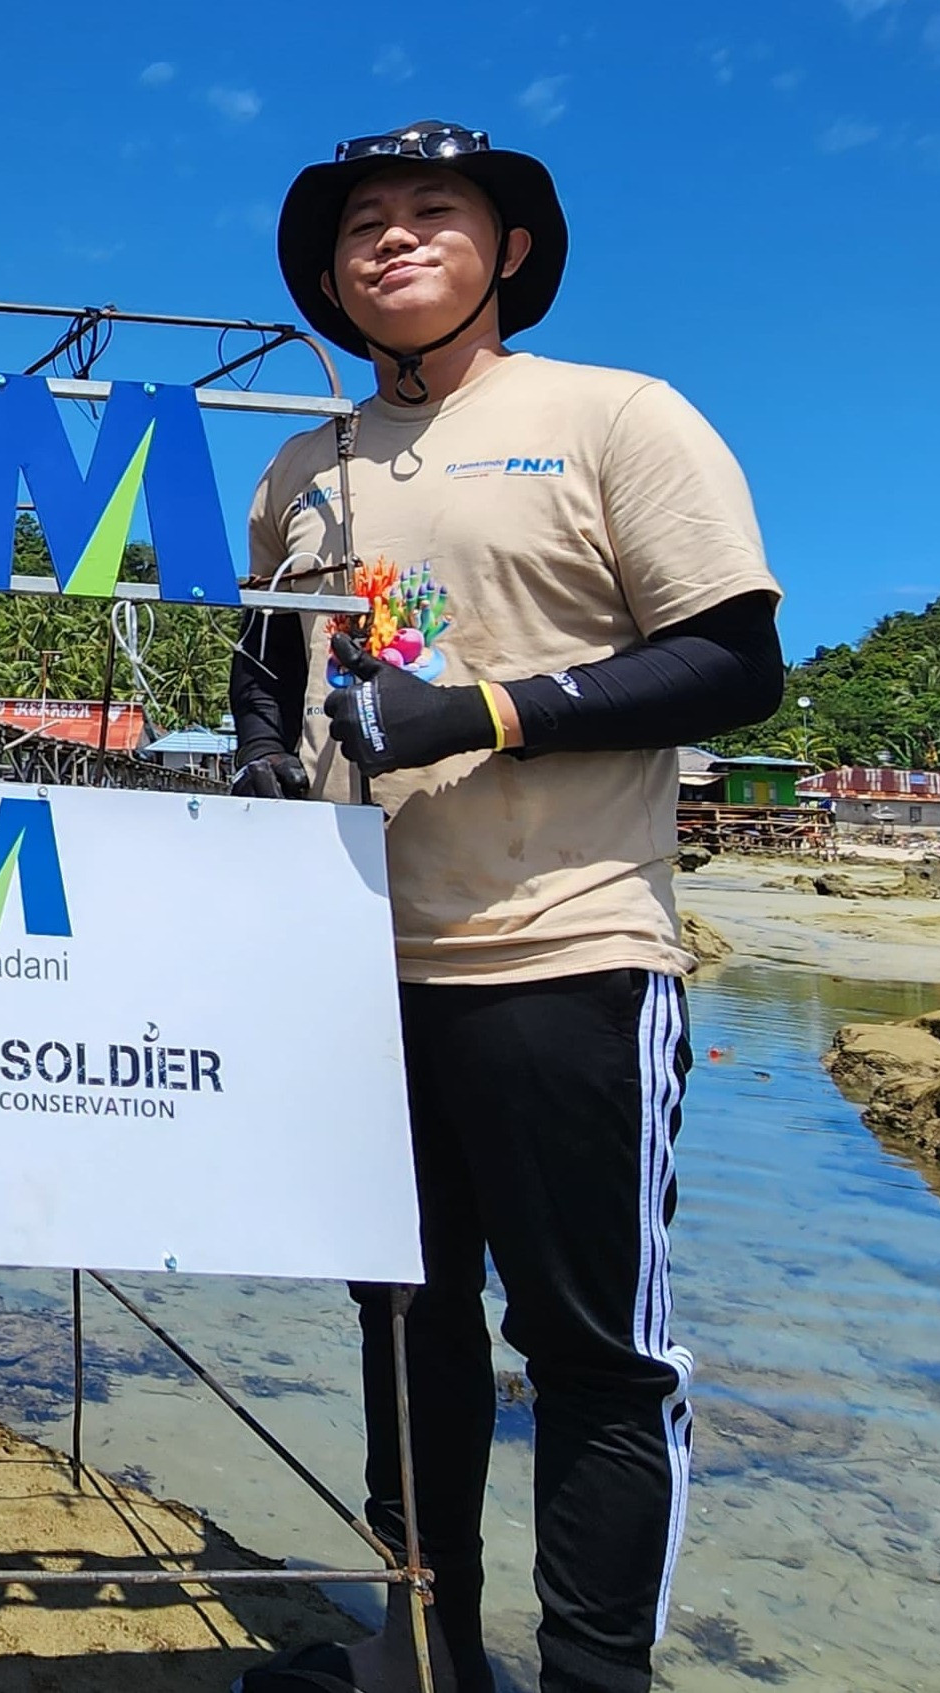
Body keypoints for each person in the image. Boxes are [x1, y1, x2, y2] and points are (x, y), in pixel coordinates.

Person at [226, 122, 785, 1693]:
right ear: (327, 276)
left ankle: (593, 1680)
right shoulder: (301, 466)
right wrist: (269, 765)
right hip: (359, 974)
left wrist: (487, 712)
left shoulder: (614, 415)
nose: (389, 243)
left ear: (509, 251)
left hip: (569, 952)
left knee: (593, 1350)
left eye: (430, 215)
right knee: (403, 1325)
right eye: (359, 229)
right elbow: (267, 670)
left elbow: (735, 663)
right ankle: (422, 1653)